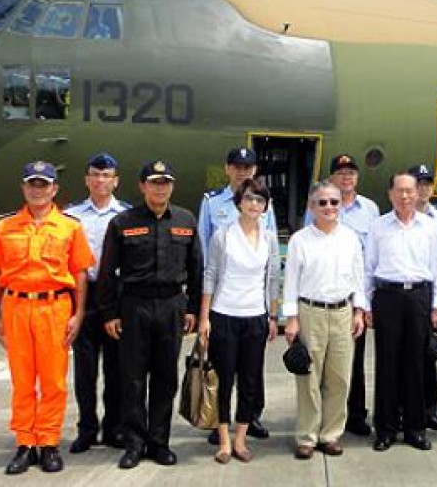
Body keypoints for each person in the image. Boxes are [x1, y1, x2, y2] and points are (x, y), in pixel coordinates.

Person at [0, 161, 94, 475]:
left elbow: (80, 272)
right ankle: (25, 444)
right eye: (32, 183)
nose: (37, 189)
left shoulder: (70, 226)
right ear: (23, 188)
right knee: (22, 382)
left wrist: (79, 313)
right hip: (17, 308)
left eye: (44, 184)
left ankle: (48, 443)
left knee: (53, 381)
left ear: (55, 189)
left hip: (55, 309)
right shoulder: (6, 226)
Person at [98, 160, 201, 470]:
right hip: (134, 307)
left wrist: (193, 309)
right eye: (154, 182)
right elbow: (106, 273)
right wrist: (109, 313)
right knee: (132, 379)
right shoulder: (123, 222)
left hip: (171, 306)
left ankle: (159, 442)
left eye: (165, 182)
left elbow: (197, 269)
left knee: (165, 378)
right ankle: (134, 443)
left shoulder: (186, 219)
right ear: (142, 186)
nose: (160, 187)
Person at [198, 147, 278, 441]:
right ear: (227, 168)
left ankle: (250, 418)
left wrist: (273, 313)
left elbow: (272, 272)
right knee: (224, 372)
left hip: (254, 310)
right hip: (224, 303)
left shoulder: (264, 207)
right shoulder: (212, 203)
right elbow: (206, 254)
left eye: (248, 166)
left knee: (251, 373)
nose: (243, 170)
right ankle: (219, 425)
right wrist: (205, 310)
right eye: (237, 165)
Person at [363, 172, 437, 452]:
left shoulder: (429, 227)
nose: (405, 196)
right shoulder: (378, 227)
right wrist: (366, 305)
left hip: (419, 299)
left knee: (416, 365)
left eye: (410, 191)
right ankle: (386, 429)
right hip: (387, 297)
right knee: (387, 365)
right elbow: (367, 268)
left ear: (417, 193)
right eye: (399, 191)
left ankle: (415, 429)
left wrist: (436, 306)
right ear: (390, 195)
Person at [284, 180, 366, 459]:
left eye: (334, 202)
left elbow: (358, 276)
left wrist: (358, 311)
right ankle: (307, 436)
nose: (329, 207)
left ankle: (330, 434)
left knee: (340, 378)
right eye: (322, 202)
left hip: (343, 312)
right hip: (311, 312)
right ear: (311, 206)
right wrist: (291, 318)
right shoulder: (300, 240)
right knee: (308, 376)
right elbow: (291, 281)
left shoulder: (351, 238)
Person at [307, 154, 381, 437]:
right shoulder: (319, 206)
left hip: (353, 296)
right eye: (341, 173)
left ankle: (356, 414)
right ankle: (323, 417)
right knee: (321, 364)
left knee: (354, 361)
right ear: (331, 178)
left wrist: (365, 303)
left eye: (351, 172)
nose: (346, 177)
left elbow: (372, 258)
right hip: (323, 294)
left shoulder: (370, 210)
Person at [66, 152, 131, 453]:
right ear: (87, 179)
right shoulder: (72, 216)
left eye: (107, 175)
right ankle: (87, 429)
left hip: (116, 296)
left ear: (116, 181)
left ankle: (114, 428)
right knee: (85, 369)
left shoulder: (127, 215)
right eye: (96, 174)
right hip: (83, 294)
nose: (101, 180)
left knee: (117, 368)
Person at [409, 163, 437, 431]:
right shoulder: (397, 217)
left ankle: (429, 408)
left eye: (426, 183)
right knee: (405, 356)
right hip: (409, 296)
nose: (423, 189)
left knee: (429, 354)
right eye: (418, 183)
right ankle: (404, 407)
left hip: (432, 297)